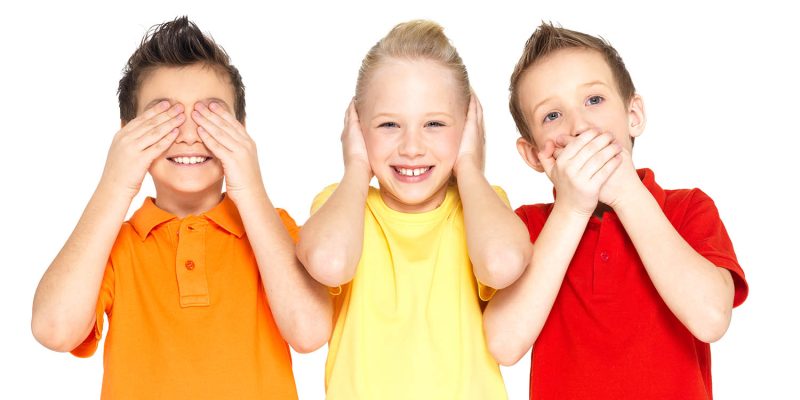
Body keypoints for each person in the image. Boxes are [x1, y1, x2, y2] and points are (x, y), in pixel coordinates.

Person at [31, 16, 330, 399]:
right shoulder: (113, 246)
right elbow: (53, 329)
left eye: (210, 117)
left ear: (241, 129)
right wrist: (116, 181)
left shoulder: (272, 229)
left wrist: (250, 187)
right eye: (164, 117)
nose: (189, 135)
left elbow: (309, 333)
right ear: (128, 132)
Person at [483, 22, 749, 399]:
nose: (579, 126)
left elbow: (710, 319)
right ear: (532, 154)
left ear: (633, 114)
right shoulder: (526, 227)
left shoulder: (688, 208)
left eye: (593, 100)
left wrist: (626, 192)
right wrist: (573, 209)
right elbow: (504, 345)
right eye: (552, 116)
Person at [296, 19, 531, 399]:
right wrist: (356, 167)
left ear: (468, 128)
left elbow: (502, 263)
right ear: (358, 128)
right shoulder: (342, 206)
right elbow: (329, 262)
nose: (411, 147)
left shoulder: (482, 208)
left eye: (434, 124)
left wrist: (470, 165)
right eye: (389, 124)